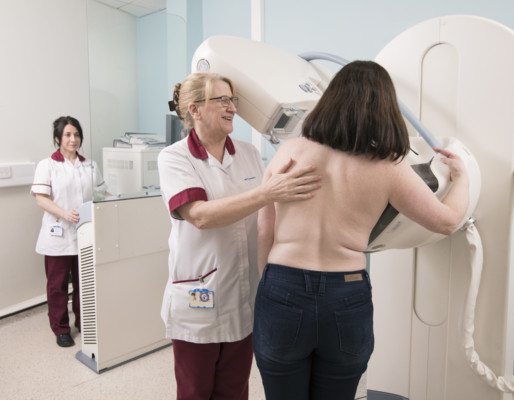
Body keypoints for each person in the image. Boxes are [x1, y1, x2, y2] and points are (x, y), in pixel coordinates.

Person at [253, 60, 470, 400]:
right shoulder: (389, 168)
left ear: (331, 101)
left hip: (283, 283)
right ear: (385, 109)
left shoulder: (291, 151)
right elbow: (447, 221)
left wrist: (270, 279)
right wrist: (463, 177)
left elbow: (264, 225)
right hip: (345, 292)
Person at [157, 72, 321, 400]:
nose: (232, 107)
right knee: (195, 392)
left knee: (235, 390)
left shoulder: (246, 153)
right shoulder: (175, 157)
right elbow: (199, 215)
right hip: (198, 297)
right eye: (222, 100)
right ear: (195, 110)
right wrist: (267, 193)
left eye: (233, 100)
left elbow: (265, 216)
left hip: (243, 294)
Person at [31, 116, 107, 348]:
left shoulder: (90, 165)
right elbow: (41, 198)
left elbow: (102, 193)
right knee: (58, 285)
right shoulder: (48, 165)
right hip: (58, 233)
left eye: (76, 134)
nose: (73, 139)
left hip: (85, 233)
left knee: (85, 282)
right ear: (58, 139)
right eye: (67, 135)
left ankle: (85, 322)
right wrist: (64, 214)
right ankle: (61, 328)